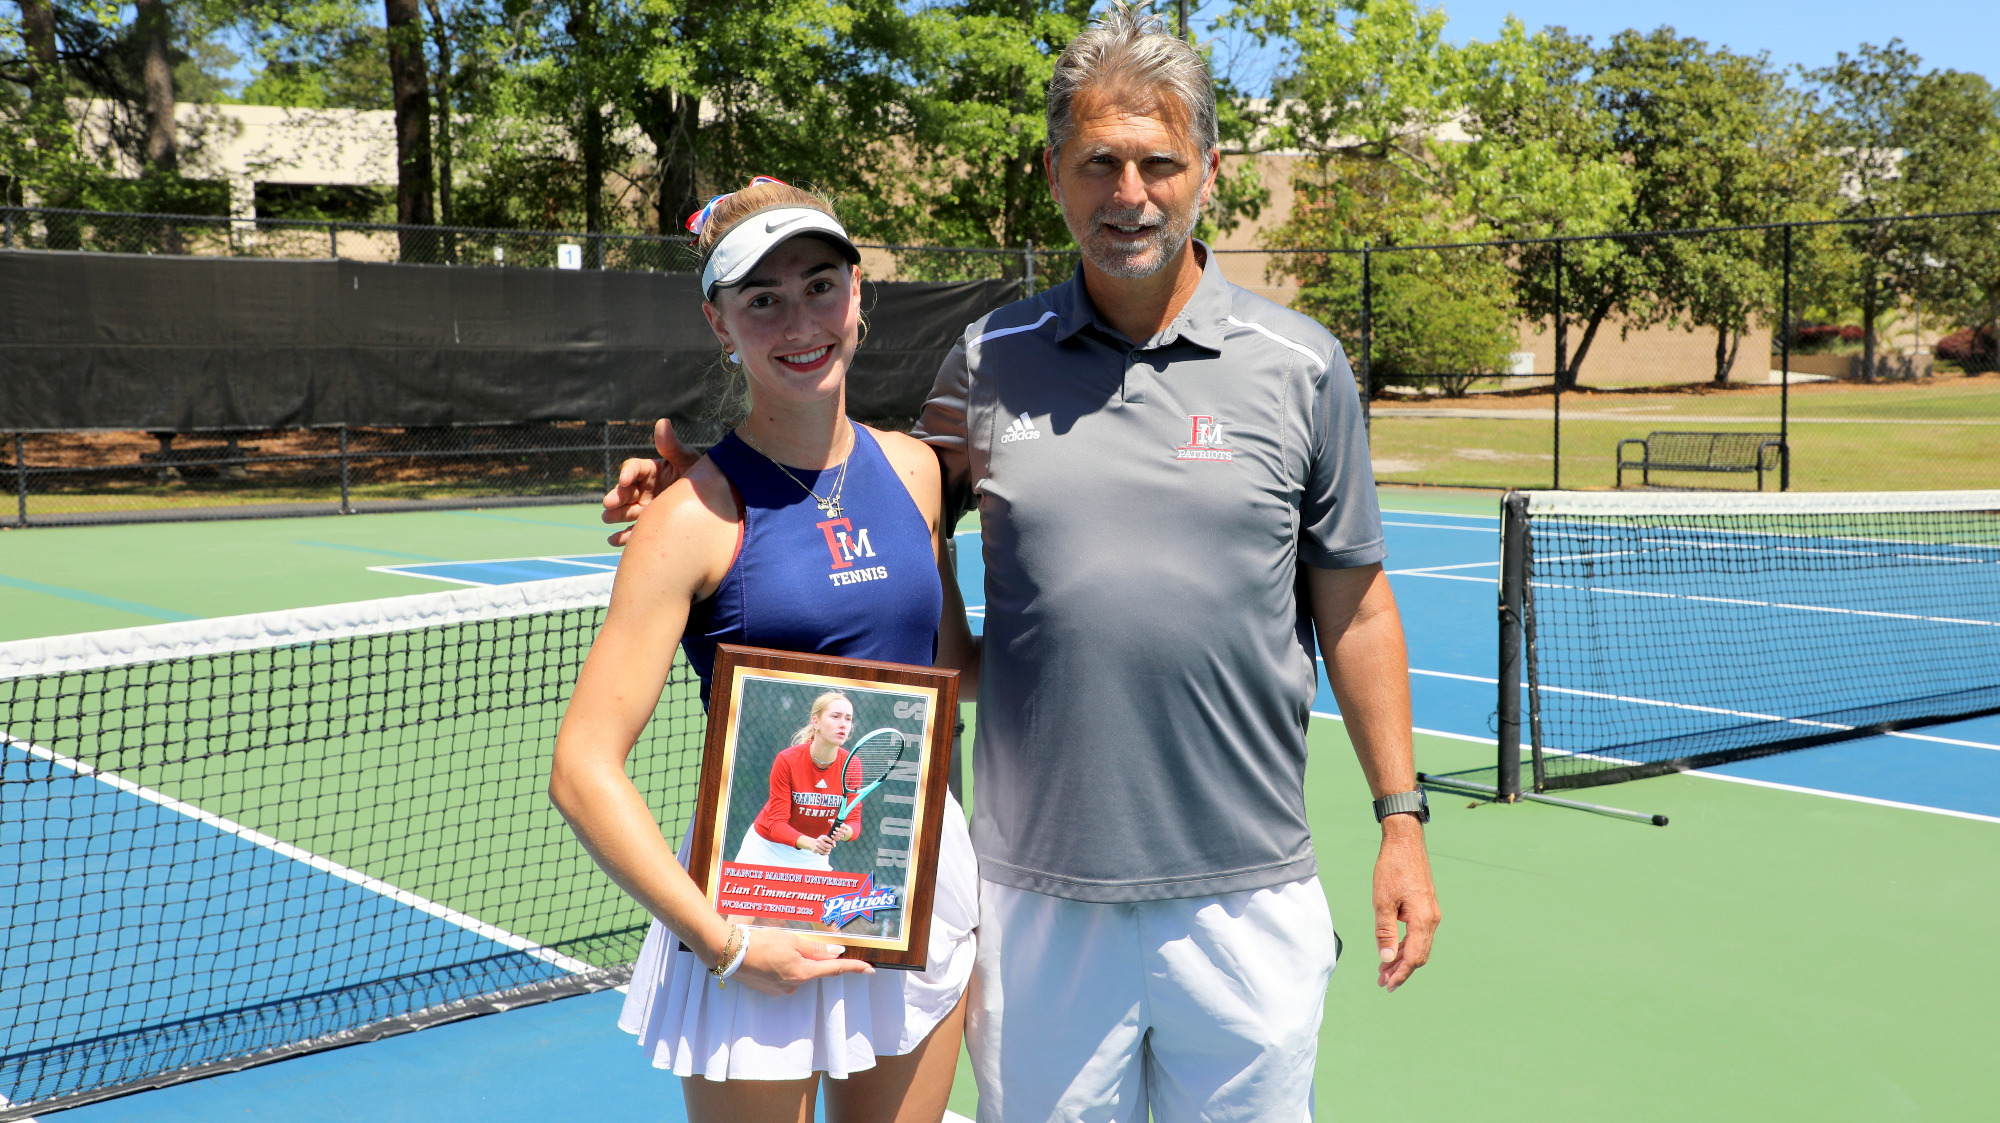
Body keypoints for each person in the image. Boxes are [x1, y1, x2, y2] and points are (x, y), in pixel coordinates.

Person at [605, 9, 1441, 1120]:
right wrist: (698, 490)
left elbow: (1356, 610)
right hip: (1031, 898)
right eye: (1098, 163)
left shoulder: (1302, 366)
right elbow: (850, 497)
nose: (1128, 193)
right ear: (1055, 173)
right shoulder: (984, 364)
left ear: (1209, 172)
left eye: (1157, 162)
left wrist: (1399, 818)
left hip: (1249, 894)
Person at [550, 177, 979, 1123]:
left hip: (910, 883)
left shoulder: (914, 471)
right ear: (720, 322)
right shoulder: (687, 518)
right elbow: (582, 768)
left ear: (859, 295)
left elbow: (955, 670)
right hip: (755, 907)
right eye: (762, 298)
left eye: (821, 284)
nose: (800, 319)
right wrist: (727, 941)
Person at [735, 691, 864, 871]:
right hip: (766, 849)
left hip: (812, 856)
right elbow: (777, 825)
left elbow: (854, 822)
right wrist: (812, 843)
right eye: (835, 716)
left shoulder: (852, 764)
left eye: (848, 719)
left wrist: (845, 832)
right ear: (816, 721)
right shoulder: (787, 760)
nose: (843, 724)